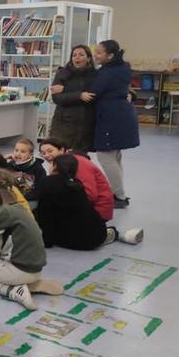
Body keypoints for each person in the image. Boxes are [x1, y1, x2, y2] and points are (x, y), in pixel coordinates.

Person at [0, 188, 62, 310]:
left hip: (20, 269)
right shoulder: (20, 210)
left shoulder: (9, 212)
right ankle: (31, 284)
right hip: (34, 269)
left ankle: (13, 290)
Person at [38, 139, 143, 244]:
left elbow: (90, 195)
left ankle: (111, 234)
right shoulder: (62, 164)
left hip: (96, 211)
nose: (46, 155)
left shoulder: (77, 163)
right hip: (81, 207)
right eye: (43, 153)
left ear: (62, 149)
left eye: (50, 151)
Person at [83, 40, 140, 209]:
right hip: (121, 114)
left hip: (112, 117)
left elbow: (94, 92)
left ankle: (119, 196)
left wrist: (77, 93)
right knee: (115, 156)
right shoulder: (122, 68)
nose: (95, 55)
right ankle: (118, 192)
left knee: (105, 156)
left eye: (99, 53)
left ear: (110, 56)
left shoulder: (107, 72)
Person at [35, 154, 112, 250]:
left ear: (55, 166)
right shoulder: (77, 183)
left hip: (73, 240)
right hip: (97, 235)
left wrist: (47, 241)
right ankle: (115, 234)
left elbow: (45, 214)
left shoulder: (47, 182)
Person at [49, 45, 96, 152]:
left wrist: (130, 92)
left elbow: (98, 93)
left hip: (86, 123)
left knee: (81, 158)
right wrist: (79, 96)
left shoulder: (95, 75)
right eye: (74, 55)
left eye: (81, 55)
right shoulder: (62, 73)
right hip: (64, 123)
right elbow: (57, 98)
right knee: (61, 156)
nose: (77, 57)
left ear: (88, 58)